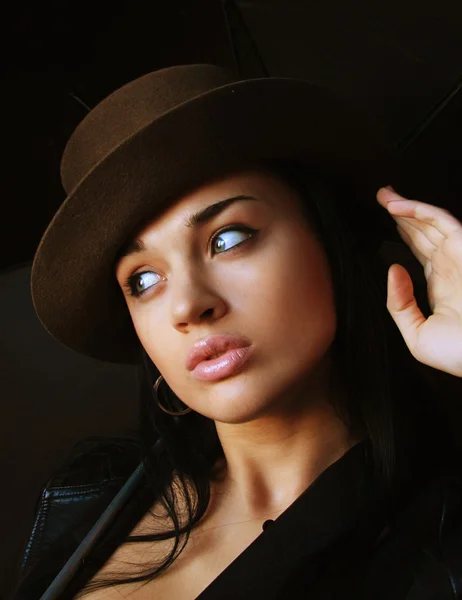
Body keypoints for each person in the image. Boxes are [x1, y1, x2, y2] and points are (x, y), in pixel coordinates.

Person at [10, 64, 462, 599]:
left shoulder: (440, 535)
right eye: (144, 279)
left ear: (327, 239)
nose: (187, 305)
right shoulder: (88, 493)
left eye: (227, 239)